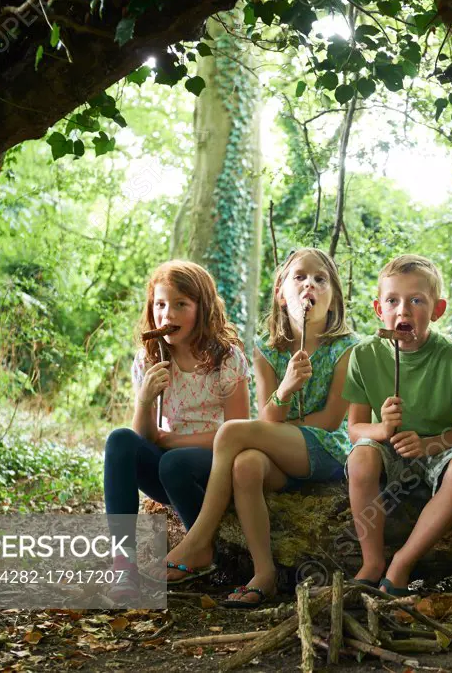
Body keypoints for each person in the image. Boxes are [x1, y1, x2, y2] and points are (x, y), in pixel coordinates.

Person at [161, 248, 358, 607]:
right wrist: (285, 389)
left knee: (233, 431)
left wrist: (278, 428)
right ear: (282, 294)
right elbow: (269, 418)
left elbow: (330, 421)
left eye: (320, 279)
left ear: (333, 301)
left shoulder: (347, 349)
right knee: (246, 463)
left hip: (327, 451)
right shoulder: (267, 351)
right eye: (299, 277)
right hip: (280, 457)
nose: (309, 284)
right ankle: (263, 574)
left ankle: (199, 539)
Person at [345, 255, 452, 596]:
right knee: (361, 457)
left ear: (437, 310)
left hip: (443, 448)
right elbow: (354, 428)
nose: (403, 311)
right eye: (393, 300)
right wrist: (381, 430)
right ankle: (373, 561)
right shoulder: (364, 355)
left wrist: (429, 445)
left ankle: (402, 563)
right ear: (379, 309)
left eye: (416, 301)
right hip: (388, 448)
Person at [105, 260, 249, 594]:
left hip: (212, 466)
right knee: (119, 440)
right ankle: (123, 563)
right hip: (168, 468)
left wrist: (174, 441)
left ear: (203, 309)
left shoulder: (225, 359)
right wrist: (144, 400)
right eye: (160, 304)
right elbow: (145, 440)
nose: (167, 315)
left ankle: (201, 548)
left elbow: (238, 432)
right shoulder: (150, 358)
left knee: (175, 461)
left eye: (180, 304)